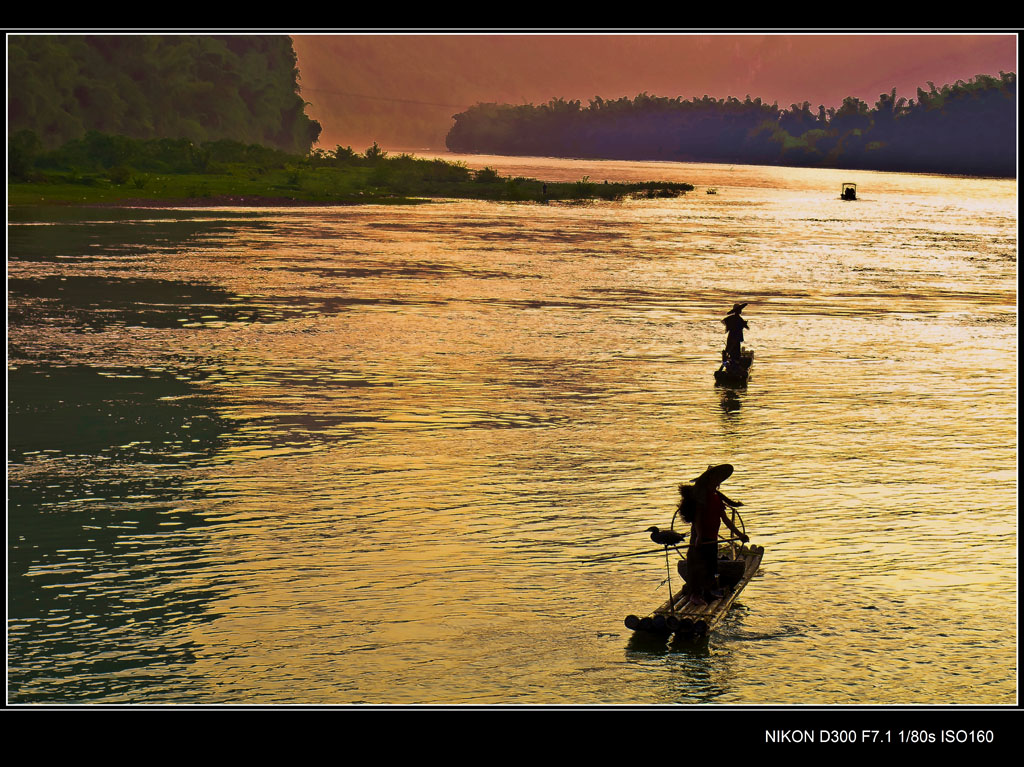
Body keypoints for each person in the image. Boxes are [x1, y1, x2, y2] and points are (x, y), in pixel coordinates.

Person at [681, 464, 748, 606]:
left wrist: (740, 534)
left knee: (711, 565)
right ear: (709, 479)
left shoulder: (716, 498)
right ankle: (695, 594)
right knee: (698, 565)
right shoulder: (702, 497)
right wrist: (699, 535)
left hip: (712, 538)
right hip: (700, 538)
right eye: (716, 479)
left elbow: (725, 519)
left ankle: (707, 591)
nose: (718, 482)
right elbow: (697, 518)